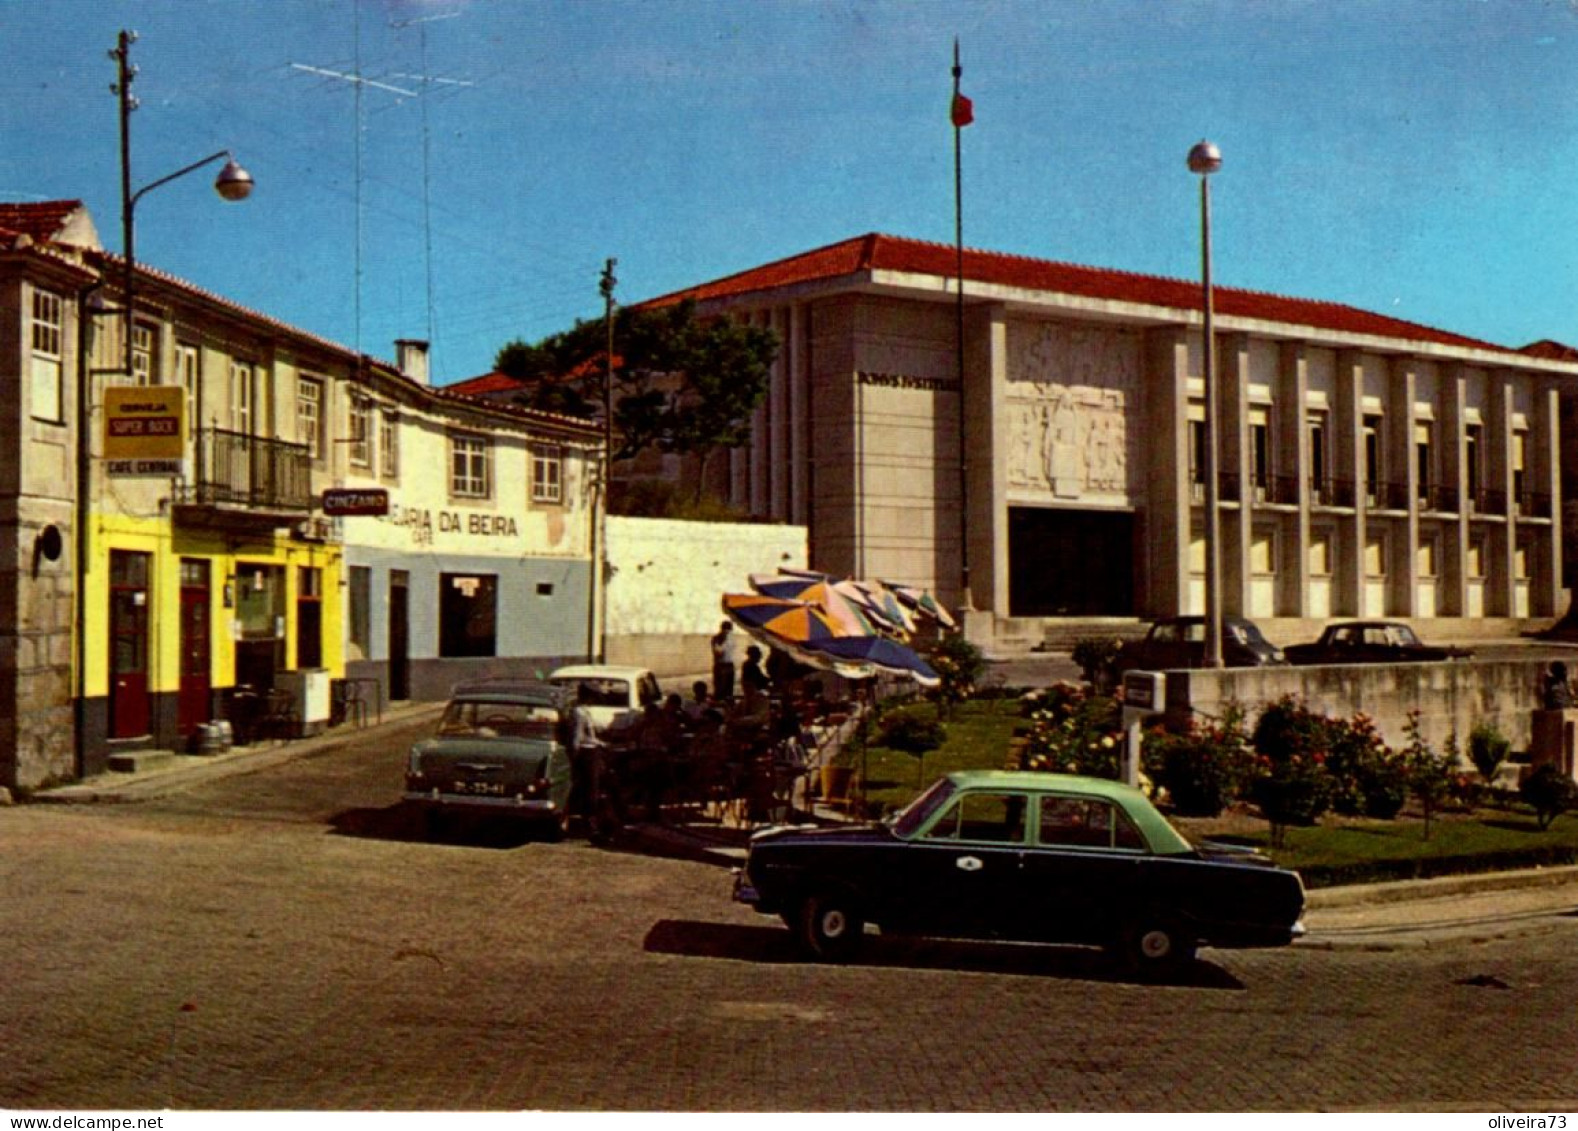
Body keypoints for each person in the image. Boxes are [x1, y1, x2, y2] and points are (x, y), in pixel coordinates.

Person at [710, 620, 737, 701]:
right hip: (720, 665)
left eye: (729, 630)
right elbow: (718, 652)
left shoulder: (731, 639)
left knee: (729, 688)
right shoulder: (716, 639)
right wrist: (724, 642)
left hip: (729, 664)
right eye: (726, 629)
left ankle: (728, 703)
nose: (727, 632)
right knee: (720, 688)